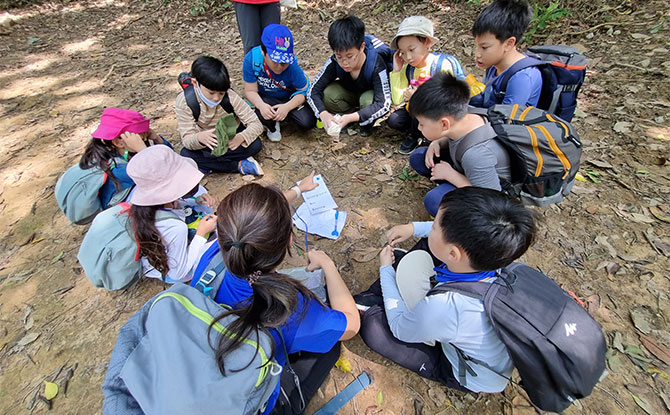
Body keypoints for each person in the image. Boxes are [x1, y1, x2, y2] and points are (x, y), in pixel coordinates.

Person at [189, 174, 360, 414]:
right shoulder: (287, 306)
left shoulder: (214, 254)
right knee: (329, 346)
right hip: (245, 398)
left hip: (200, 367)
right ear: (289, 240)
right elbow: (351, 325)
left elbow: (249, 224)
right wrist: (329, 266)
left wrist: (297, 190)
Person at [355, 186, 537, 394]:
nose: (431, 227)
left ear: (453, 254)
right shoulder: (498, 255)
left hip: (464, 369)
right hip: (479, 338)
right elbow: (443, 238)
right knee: (427, 245)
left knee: (373, 327)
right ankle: (389, 291)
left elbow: (399, 328)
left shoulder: (448, 306)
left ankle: (378, 297)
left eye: (435, 226)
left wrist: (386, 269)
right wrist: (412, 228)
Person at [408, 72, 511, 217]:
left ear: (444, 124)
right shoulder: (467, 114)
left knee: (435, 200)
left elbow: (492, 198)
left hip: (488, 189)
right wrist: (438, 142)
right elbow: (458, 138)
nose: (419, 128)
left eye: (422, 124)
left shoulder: (476, 155)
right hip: (466, 166)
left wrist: (451, 175)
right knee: (419, 157)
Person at [126, 145, 217, 283]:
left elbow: (169, 206)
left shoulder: (140, 201)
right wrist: (201, 234)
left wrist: (194, 202)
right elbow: (177, 273)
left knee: (199, 194)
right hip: (173, 269)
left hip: (158, 252)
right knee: (220, 242)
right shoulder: (175, 228)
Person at [388, 16, 465, 154]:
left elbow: (451, 100)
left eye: (412, 49)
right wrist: (396, 71)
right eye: (403, 53)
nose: (408, 57)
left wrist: (418, 96)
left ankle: (427, 135)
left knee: (418, 107)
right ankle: (418, 133)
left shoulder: (442, 65)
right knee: (395, 120)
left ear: (427, 42)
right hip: (416, 114)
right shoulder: (409, 69)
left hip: (439, 113)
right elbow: (397, 100)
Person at [176, 56, 264, 176]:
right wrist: (200, 138)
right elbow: (187, 139)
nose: (216, 98)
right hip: (207, 142)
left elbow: (256, 124)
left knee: (256, 145)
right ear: (196, 83)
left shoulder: (230, 96)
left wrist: (241, 137)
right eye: (211, 93)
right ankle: (238, 165)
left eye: (221, 93)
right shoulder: (185, 101)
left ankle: (208, 165)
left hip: (232, 139)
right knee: (186, 154)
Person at [307, 15, 392, 137]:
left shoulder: (375, 63)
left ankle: (364, 122)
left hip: (368, 96)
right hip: (349, 94)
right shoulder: (334, 62)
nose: (344, 62)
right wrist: (322, 113)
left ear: (361, 47)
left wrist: (352, 117)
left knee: (367, 100)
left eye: (350, 56)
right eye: (339, 56)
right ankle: (348, 117)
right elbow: (312, 91)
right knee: (329, 93)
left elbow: (384, 103)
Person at [79, 108, 171, 209]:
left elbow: (171, 161)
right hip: (123, 215)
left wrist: (157, 139)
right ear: (118, 142)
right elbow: (163, 173)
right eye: (140, 137)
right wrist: (143, 150)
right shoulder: (119, 169)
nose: (145, 139)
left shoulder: (128, 153)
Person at [243, 24, 315, 142]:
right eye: (276, 61)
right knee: (258, 114)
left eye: (284, 63)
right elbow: (250, 91)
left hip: (287, 98)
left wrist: (287, 107)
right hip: (265, 99)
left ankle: (282, 117)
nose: (280, 67)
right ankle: (272, 125)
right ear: (263, 51)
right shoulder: (251, 60)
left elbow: (303, 91)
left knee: (307, 121)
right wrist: (261, 106)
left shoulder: (292, 66)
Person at [469, 0, 542, 109]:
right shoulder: (494, 66)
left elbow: (507, 120)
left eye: (484, 47)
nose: (477, 54)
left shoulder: (522, 77)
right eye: (477, 46)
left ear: (509, 43)